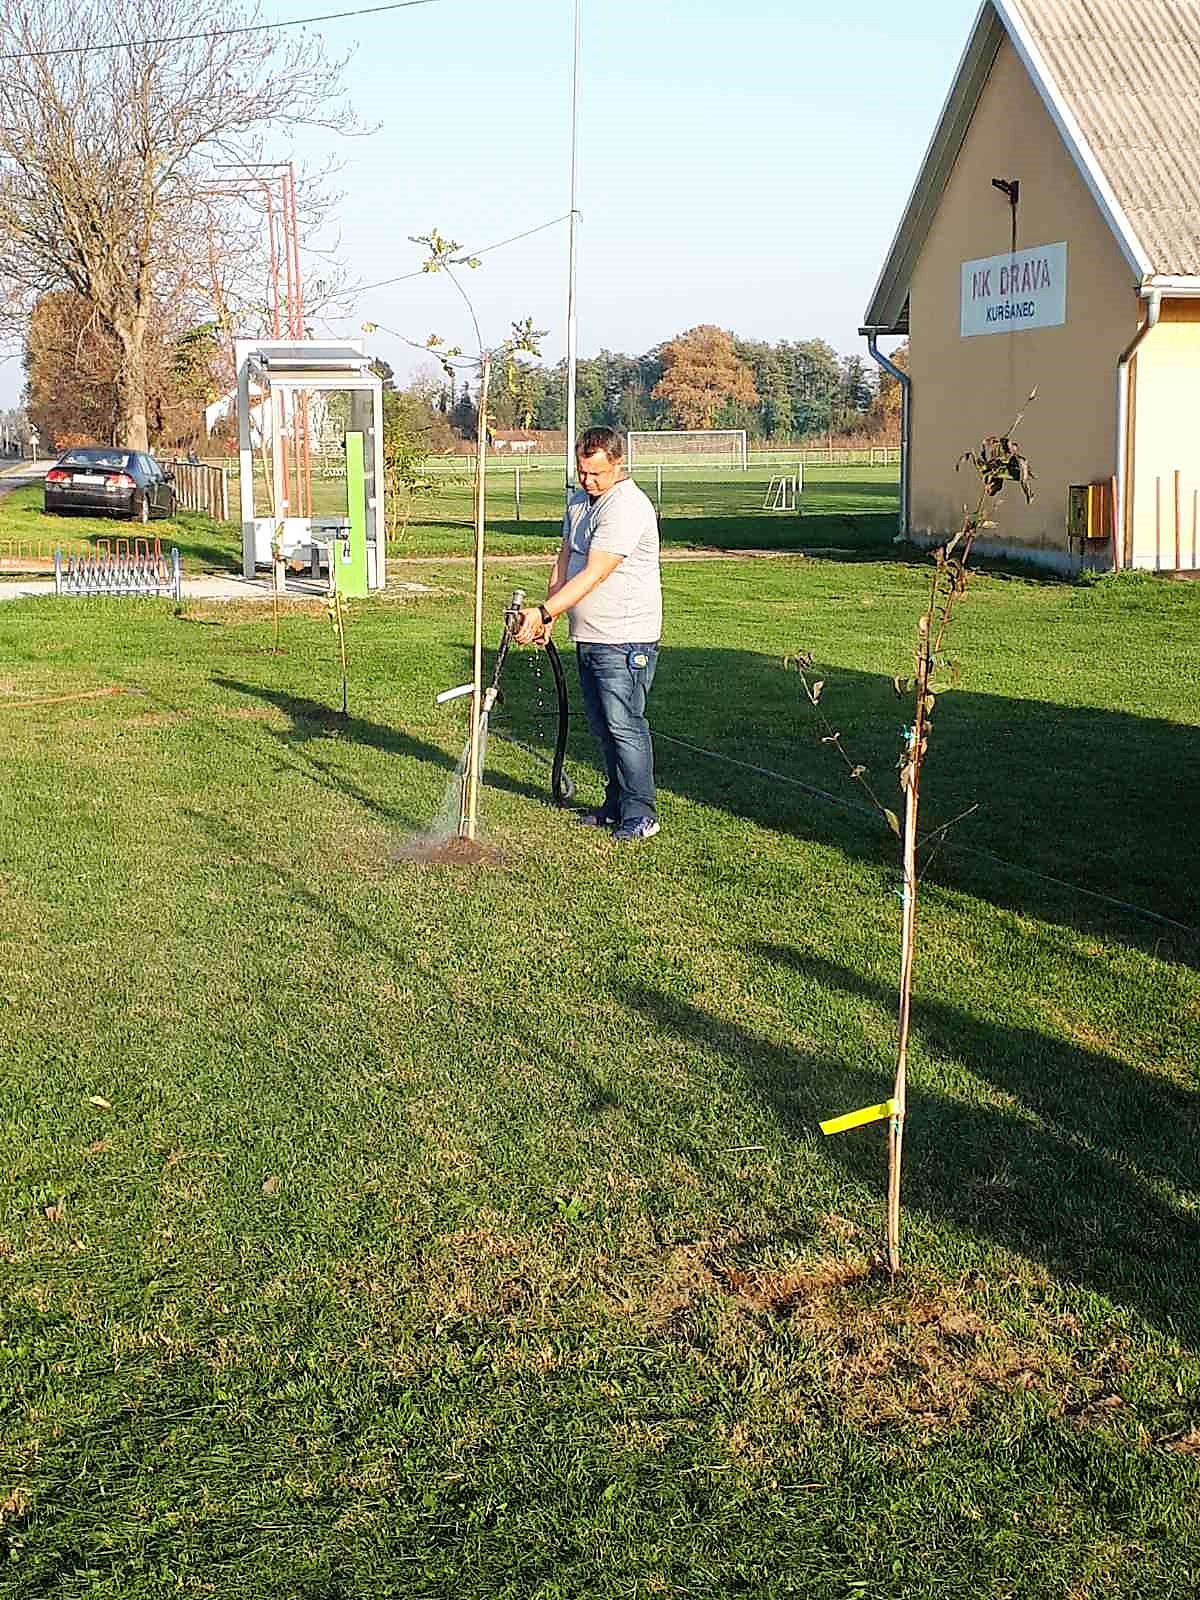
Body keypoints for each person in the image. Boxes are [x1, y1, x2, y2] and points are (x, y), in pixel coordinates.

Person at [513, 427, 662, 842]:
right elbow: (566, 561)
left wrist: (543, 611)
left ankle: (641, 813)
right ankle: (615, 805)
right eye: (582, 472)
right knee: (601, 726)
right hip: (590, 635)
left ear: (618, 463)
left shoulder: (627, 506)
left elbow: (596, 572)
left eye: (596, 474)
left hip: (626, 637)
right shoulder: (579, 501)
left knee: (624, 724)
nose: (588, 481)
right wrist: (551, 614)